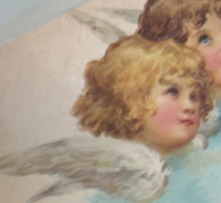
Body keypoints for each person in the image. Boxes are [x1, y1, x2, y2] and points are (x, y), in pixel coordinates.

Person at [71, 34, 211, 155]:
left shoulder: (202, 155)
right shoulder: (122, 163)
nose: (190, 106)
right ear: (129, 102)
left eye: (194, 97)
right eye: (172, 92)